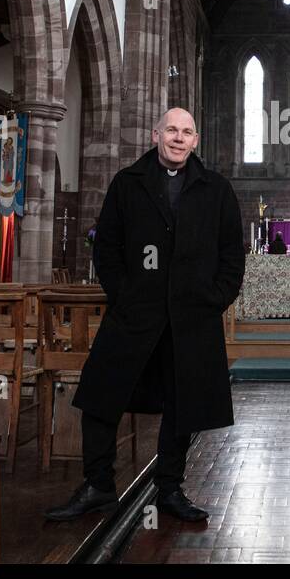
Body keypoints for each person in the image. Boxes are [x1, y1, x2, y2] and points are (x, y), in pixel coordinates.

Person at [44, 108, 245, 523]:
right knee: (100, 396)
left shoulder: (216, 189)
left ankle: (169, 488)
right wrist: (123, 295)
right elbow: (107, 247)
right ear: (156, 135)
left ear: (195, 140)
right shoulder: (128, 183)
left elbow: (232, 254)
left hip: (191, 317)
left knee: (182, 404)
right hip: (135, 314)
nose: (178, 138)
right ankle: (98, 484)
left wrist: (216, 298)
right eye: (171, 130)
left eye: (186, 132)